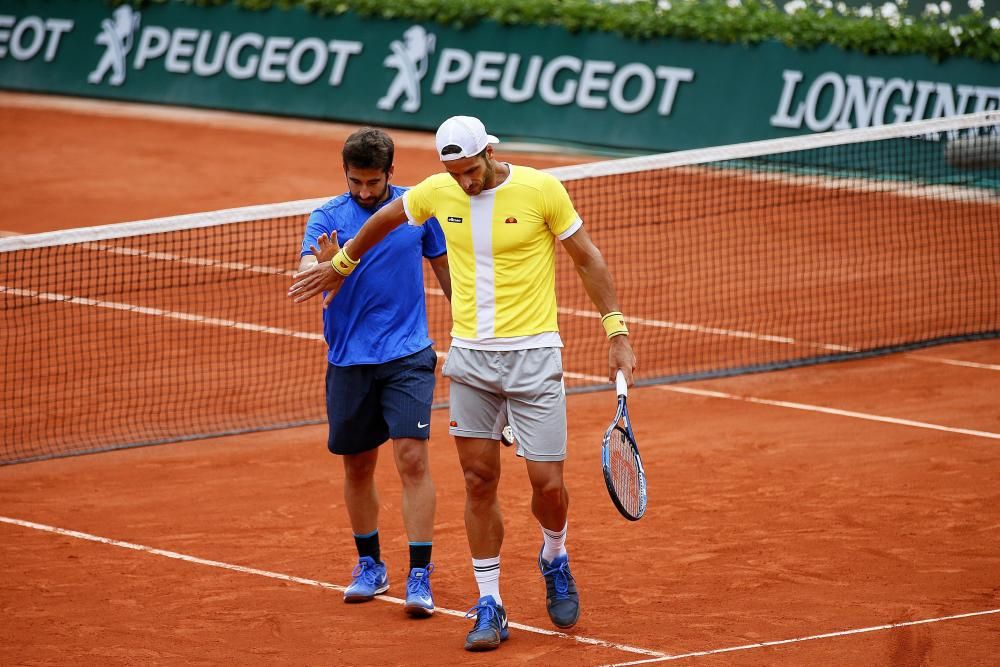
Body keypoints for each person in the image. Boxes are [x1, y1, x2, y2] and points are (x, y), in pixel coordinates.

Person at [290, 116, 636, 651]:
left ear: (490, 152)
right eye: (455, 173)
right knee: (478, 481)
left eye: (471, 170)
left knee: (547, 485)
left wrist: (616, 331)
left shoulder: (542, 189)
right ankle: (490, 602)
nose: (465, 182)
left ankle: (554, 554)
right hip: (471, 360)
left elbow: (587, 258)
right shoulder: (437, 191)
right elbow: (384, 219)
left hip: (534, 356)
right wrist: (341, 262)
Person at [295, 127, 451, 618]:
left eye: (373, 182)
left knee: (412, 459)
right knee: (358, 466)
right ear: (345, 174)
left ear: (390, 173)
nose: (364, 192)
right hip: (349, 361)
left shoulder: (416, 210)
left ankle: (419, 574)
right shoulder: (326, 218)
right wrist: (321, 268)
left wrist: (475, 331)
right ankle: (371, 565)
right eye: (356, 182)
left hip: (408, 354)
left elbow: (449, 274)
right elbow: (307, 271)